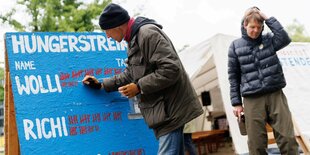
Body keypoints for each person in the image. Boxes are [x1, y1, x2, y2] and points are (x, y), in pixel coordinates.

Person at [82, 3, 203, 155]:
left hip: (171, 112)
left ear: (117, 26)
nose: (107, 36)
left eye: (107, 30)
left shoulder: (147, 34)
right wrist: (101, 84)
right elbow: (131, 74)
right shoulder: (134, 39)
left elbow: (171, 69)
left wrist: (139, 87)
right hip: (165, 112)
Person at [227, 7, 299, 155]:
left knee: (287, 138)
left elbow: (285, 38)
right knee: (256, 144)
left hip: (275, 94)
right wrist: (236, 103)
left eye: (259, 27)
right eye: (252, 27)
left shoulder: (268, 40)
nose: (255, 31)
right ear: (245, 25)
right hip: (252, 99)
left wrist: (267, 17)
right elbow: (233, 76)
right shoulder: (235, 46)